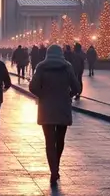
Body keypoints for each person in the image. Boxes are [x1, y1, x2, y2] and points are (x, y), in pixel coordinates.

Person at [29, 44, 81, 186]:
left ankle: (53, 169)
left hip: (46, 108)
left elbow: (32, 87)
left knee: (49, 141)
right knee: (60, 139)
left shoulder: (41, 66)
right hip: (63, 106)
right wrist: (68, 95)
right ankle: (56, 165)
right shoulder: (67, 66)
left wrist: (42, 96)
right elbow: (77, 87)